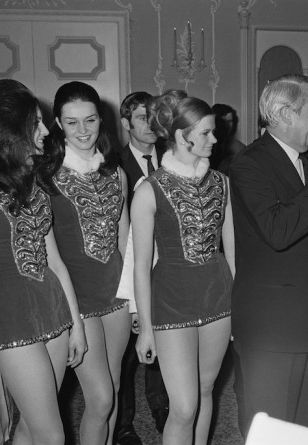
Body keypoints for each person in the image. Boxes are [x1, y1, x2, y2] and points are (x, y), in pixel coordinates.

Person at [0, 79, 87, 444]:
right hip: (9, 318)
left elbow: (55, 261)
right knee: (52, 436)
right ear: (10, 129)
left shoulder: (32, 183)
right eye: (36, 123)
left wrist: (77, 323)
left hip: (52, 308)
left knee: (31, 425)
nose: (45, 131)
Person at [229, 73, 308, 435]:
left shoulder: (306, 160)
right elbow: (277, 229)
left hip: (306, 322)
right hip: (271, 327)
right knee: (269, 429)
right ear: (285, 114)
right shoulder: (250, 163)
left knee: (299, 427)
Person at [132, 92, 235, 445]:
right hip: (171, 299)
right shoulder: (149, 190)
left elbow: (231, 251)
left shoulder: (221, 183)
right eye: (206, 133)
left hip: (218, 296)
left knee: (206, 391)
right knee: (184, 406)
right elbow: (141, 266)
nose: (215, 139)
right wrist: (145, 327)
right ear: (181, 136)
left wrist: (239, 304)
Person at [39, 81, 131, 445]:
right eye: (72, 122)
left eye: (90, 120)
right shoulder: (46, 177)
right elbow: (50, 254)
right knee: (101, 397)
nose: (83, 131)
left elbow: (126, 240)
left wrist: (137, 299)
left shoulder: (116, 173)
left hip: (118, 296)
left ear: (100, 120)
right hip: (78, 300)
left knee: (115, 390)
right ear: (58, 124)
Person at [116, 91, 168, 444]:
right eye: (140, 118)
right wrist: (133, 297)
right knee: (124, 359)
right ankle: (123, 425)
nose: (149, 126)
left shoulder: (174, 160)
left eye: (154, 117)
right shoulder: (113, 165)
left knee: (165, 348)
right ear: (125, 123)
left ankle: (164, 411)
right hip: (127, 271)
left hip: (167, 270)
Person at [210, 103, 246, 174]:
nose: (227, 125)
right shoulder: (206, 143)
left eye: (229, 121)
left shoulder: (238, 147)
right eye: (222, 122)